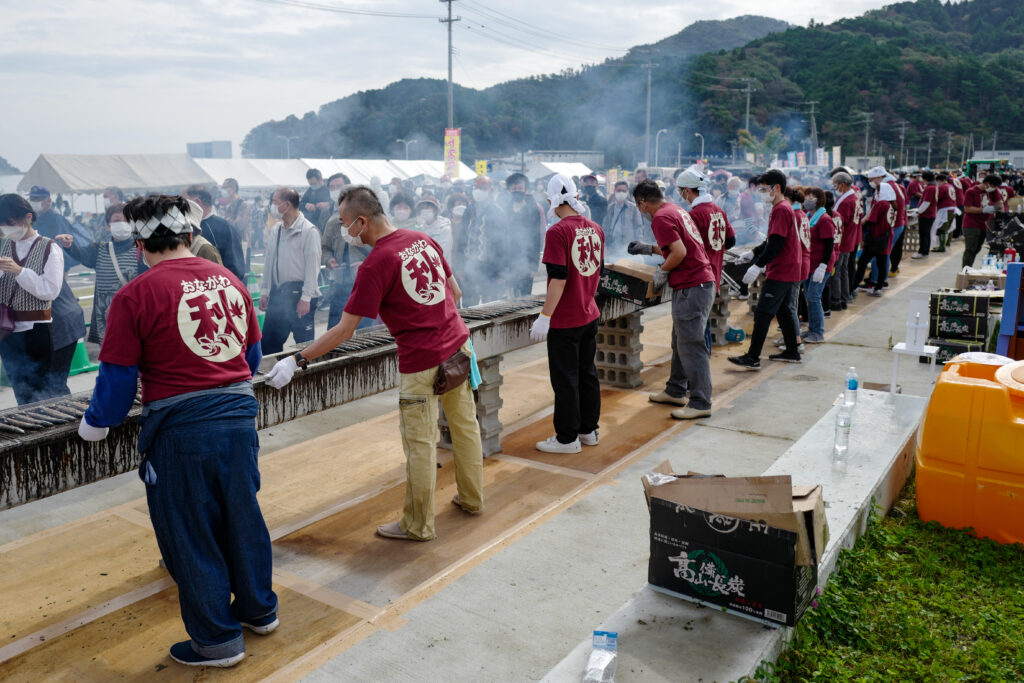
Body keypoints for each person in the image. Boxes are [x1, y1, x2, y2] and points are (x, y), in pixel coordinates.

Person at [76, 194, 275, 668]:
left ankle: (216, 641)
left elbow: (119, 379)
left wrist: (95, 423)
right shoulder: (229, 281)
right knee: (242, 516)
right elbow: (249, 360)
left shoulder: (136, 294)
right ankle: (259, 611)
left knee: (189, 531)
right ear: (190, 235)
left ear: (140, 245)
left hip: (182, 430)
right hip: (240, 418)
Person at [264, 186, 484, 541]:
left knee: (420, 443)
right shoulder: (422, 239)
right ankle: (473, 500)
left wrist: (298, 359)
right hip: (459, 346)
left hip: (422, 362)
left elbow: (344, 330)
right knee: (465, 426)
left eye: (345, 224)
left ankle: (418, 525)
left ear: (362, 222)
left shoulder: (376, 263)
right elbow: (454, 293)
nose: (344, 231)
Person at [529, 175, 605, 450]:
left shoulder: (557, 232)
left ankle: (567, 438)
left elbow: (558, 278)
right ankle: (589, 431)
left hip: (566, 318)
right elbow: (598, 270)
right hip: (589, 312)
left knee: (565, 379)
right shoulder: (595, 228)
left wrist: (545, 317)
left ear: (551, 200)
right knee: (587, 374)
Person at [630, 179, 716, 418]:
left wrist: (662, 270)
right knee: (681, 341)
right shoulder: (676, 210)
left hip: (692, 285)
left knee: (691, 345)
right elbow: (676, 246)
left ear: (643, 203)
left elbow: (679, 253)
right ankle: (675, 390)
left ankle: (701, 403)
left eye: (639, 207)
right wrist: (649, 249)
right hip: (698, 284)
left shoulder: (661, 218)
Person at [728, 170, 803, 370]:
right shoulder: (782, 207)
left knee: (763, 312)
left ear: (776, 188)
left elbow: (776, 244)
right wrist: (752, 253)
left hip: (782, 269)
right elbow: (771, 240)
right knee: (784, 310)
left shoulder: (781, 209)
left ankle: (753, 357)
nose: (761, 193)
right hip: (789, 267)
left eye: (763, 189)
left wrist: (758, 265)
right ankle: (792, 351)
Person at [0, 194, 65, 404]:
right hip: (7, 329)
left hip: (37, 328)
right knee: (20, 388)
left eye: (9, 222)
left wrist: (20, 271)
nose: (6, 228)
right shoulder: (4, 245)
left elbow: (50, 290)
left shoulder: (49, 247)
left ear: (28, 217)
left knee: (42, 389)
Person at [54, 202, 138, 344]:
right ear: (108, 225)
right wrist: (69, 246)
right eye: (117, 220)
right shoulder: (99, 249)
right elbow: (82, 254)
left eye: (127, 220)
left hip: (135, 312)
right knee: (111, 355)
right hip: (106, 317)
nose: (123, 224)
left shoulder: (142, 249)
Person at [674, 166, 735, 351]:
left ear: (686, 190)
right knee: (704, 325)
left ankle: (700, 375)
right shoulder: (717, 210)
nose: (680, 195)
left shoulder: (693, 215)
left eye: (680, 191)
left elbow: (682, 249)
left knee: (698, 333)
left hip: (697, 280)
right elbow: (731, 240)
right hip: (713, 275)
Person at [259, 188, 322, 354]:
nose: (271, 206)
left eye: (274, 202)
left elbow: (312, 267)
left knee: (304, 347)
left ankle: (306, 378)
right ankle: (275, 376)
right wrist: (265, 291)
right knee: (268, 343)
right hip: (279, 294)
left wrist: (306, 297)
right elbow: (269, 262)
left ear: (286, 205)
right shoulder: (276, 230)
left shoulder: (309, 231)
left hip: (300, 294)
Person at [460, 176, 509, 304]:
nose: (478, 191)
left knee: (490, 305)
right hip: (469, 266)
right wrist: (460, 266)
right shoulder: (469, 210)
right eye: (476, 187)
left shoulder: (498, 212)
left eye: (482, 188)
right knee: (469, 305)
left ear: (490, 190)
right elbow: (462, 238)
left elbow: (502, 245)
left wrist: (501, 273)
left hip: (490, 268)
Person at [183, 185, 246, 281]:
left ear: (196, 202)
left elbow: (235, 268)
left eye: (183, 202)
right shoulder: (186, 227)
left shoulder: (225, 227)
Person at [854, 170, 897, 298]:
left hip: (876, 238)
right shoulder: (890, 204)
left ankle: (854, 285)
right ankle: (878, 287)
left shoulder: (881, 204)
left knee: (862, 262)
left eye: (877, 191)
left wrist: (858, 228)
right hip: (886, 237)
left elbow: (870, 220)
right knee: (882, 263)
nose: (876, 193)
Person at [801, 186, 835, 344]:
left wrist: (822, 266)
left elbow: (829, 245)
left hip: (821, 265)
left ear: (820, 200)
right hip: (810, 263)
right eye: (806, 196)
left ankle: (819, 332)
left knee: (814, 297)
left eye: (812, 197)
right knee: (810, 297)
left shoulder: (824, 219)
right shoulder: (809, 216)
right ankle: (812, 329)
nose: (808, 200)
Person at [503, 173, 545, 297]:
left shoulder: (533, 208)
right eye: (514, 188)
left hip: (526, 260)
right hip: (509, 261)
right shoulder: (505, 208)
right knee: (509, 298)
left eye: (520, 188)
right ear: (509, 190)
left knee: (525, 298)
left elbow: (537, 238)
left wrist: (533, 266)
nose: (517, 191)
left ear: (525, 189)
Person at [961, 174, 1004, 268]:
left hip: (984, 224)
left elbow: (999, 203)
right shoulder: (971, 191)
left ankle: (968, 268)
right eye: (992, 186)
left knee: (977, 248)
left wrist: (1000, 214)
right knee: (970, 249)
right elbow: (967, 209)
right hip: (971, 224)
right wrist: (983, 210)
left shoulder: (993, 191)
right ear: (986, 183)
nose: (994, 188)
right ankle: (965, 271)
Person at [602, 180, 644, 257]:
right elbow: (605, 226)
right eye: (619, 190)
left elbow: (638, 228)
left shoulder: (634, 208)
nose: (621, 193)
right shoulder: (610, 208)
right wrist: (604, 244)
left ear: (627, 192)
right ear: (614, 191)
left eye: (624, 191)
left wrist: (638, 246)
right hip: (612, 246)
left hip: (627, 246)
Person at [219, 178, 253, 263]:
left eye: (225, 187)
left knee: (242, 273)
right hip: (231, 245)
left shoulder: (244, 205)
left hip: (242, 245)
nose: (223, 190)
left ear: (233, 188)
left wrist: (226, 221)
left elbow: (239, 226)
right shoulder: (229, 206)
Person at [931, 173, 960, 253]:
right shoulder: (950, 186)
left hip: (945, 209)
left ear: (940, 180)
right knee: (947, 228)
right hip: (953, 208)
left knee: (942, 229)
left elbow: (938, 198)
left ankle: (942, 247)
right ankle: (946, 243)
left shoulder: (942, 187)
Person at [913, 170, 938, 258]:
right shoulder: (933, 186)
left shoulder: (930, 188)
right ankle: (925, 251)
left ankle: (922, 252)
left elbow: (926, 203)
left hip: (926, 215)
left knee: (923, 234)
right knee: (926, 234)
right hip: (930, 214)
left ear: (925, 178)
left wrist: (918, 212)